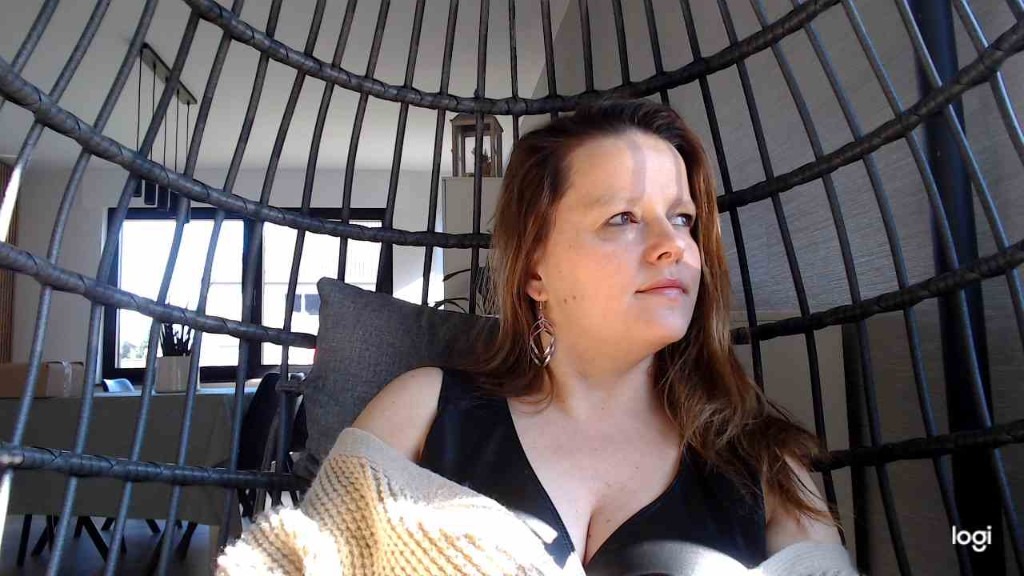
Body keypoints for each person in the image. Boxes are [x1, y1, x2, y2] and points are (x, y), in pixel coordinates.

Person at [352, 98, 844, 573]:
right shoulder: (426, 411)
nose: (673, 244)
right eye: (622, 218)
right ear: (535, 271)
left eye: (682, 218)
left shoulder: (767, 468)